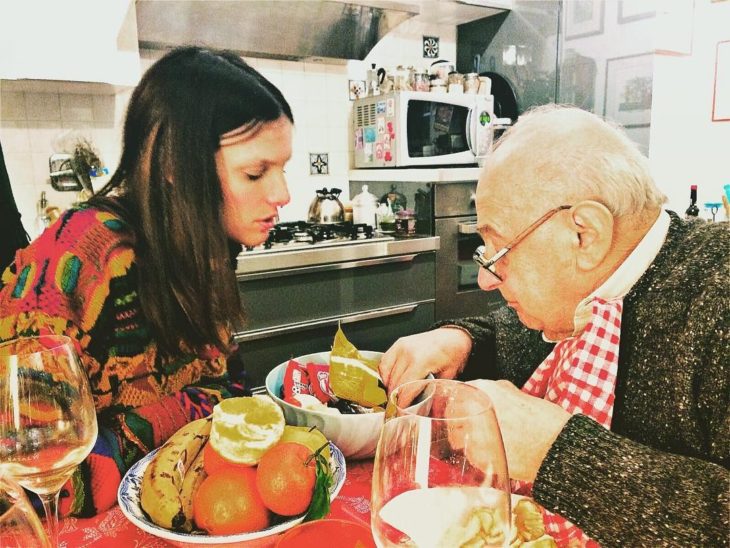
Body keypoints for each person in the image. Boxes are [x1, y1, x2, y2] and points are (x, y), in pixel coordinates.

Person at [380, 105, 729, 546]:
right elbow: (516, 332)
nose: (486, 279)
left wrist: (557, 454)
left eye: (499, 249)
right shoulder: (586, 283)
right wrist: (460, 340)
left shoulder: (717, 297)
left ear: (585, 235)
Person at [0, 46, 293, 517]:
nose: (283, 194)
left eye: (283, 169)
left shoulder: (206, 251)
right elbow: (28, 470)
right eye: (255, 172)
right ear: (174, 166)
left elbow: (228, 395)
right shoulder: (79, 259)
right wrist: (177, 416)